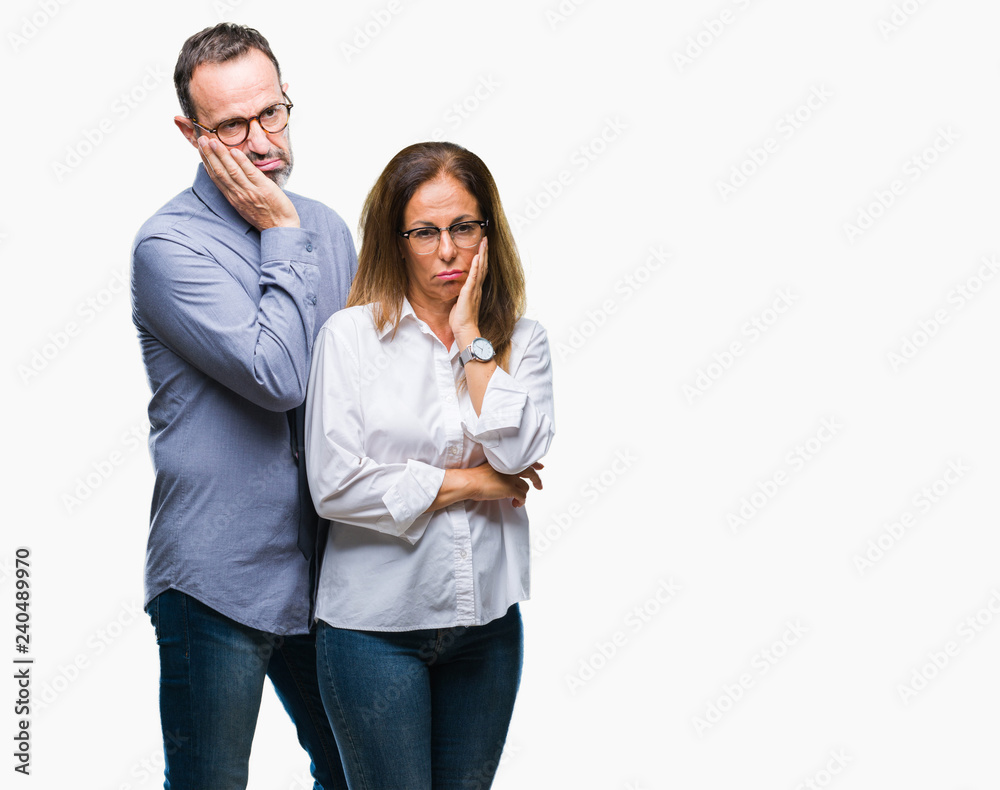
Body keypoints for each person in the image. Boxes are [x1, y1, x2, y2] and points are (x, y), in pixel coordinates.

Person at [130, 23, 354, 789]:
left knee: (360, 773)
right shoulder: (168, 247)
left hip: (326, 575)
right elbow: (279, 377)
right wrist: (281, 231)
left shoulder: (330, 229)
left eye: (274, 113)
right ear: (191, 133)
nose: (263, 141)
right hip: (213, 579)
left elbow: (355, 389)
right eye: (232, 126)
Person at [304, 141, 555, 789]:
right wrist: (474, 481)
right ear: (396, 240)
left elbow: (520, 453)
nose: (448, 251)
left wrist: (473, 338)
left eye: (464, 228)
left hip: (487, 631)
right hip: (373, 633)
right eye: (424, 231)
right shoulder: (350, 337)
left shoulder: (521, 343)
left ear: (488, 232)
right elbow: (335, 486)